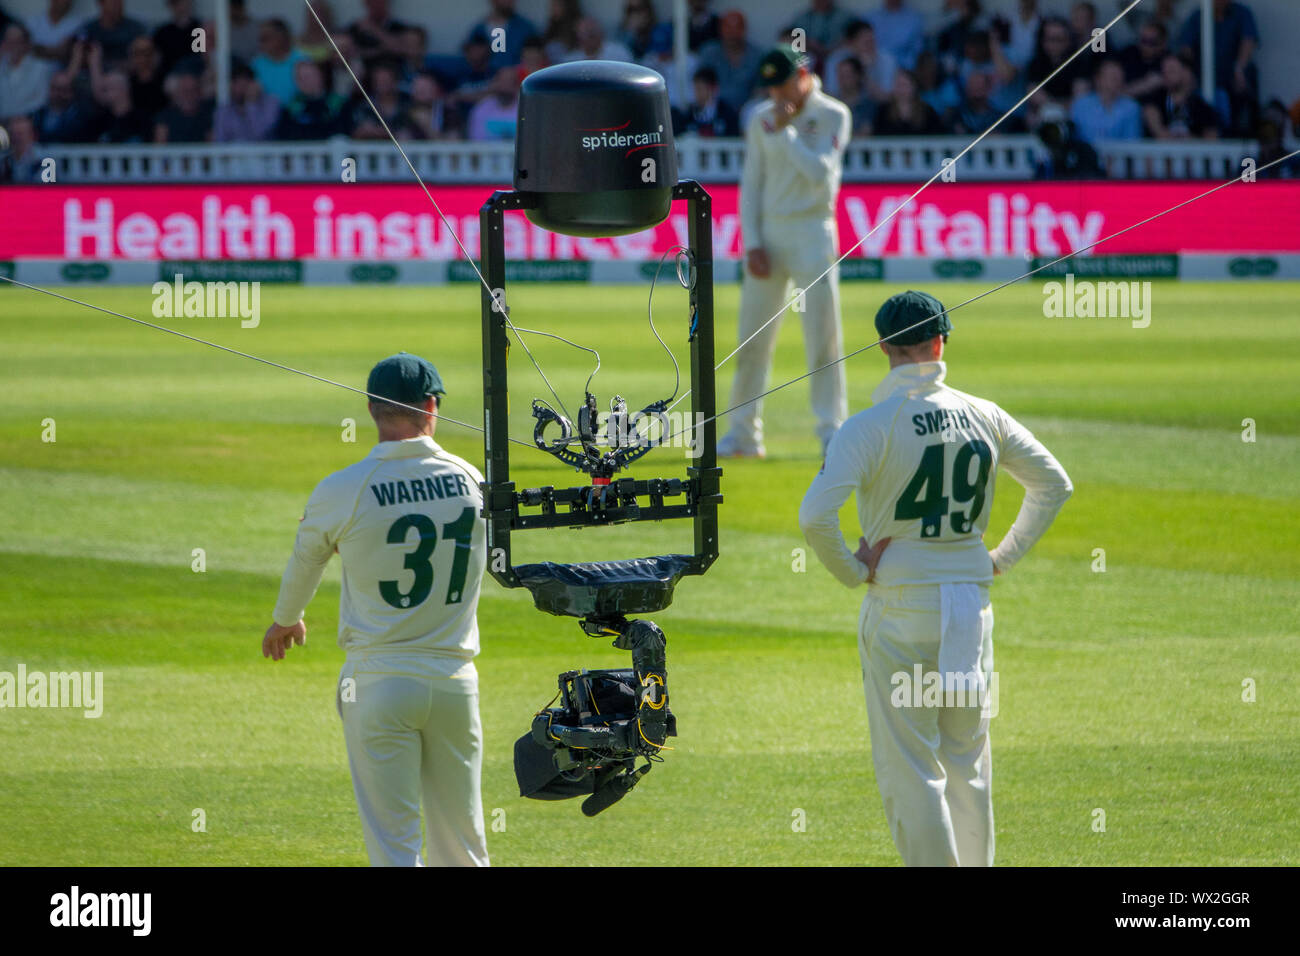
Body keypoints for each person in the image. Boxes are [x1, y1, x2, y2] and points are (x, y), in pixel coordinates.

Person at [798, 290, 1072, 867]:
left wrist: (852, 570)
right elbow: (1054, 484)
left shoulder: (867, 426)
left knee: (913, 770)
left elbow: (814, 515)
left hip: (900, 609)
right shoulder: (984, 413)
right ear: (941, 341)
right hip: (970, 609)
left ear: (883, 348)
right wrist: (1002, 555)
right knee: (967, 764)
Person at [264, 354, 490, 868]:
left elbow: (306, 560)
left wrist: (286, 619)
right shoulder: (471, 479)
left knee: (394, 847)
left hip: (377, 680)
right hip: (456, 681)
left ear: (371, 410)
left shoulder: (343, 488)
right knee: (465, 845)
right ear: (431, 407)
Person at [720, 46, 849, 460]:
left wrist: (788, 133)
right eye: (771, 87)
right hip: (770, 234)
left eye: (784, 84)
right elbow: (751, 183)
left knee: (823, 338)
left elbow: (821, 177)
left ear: (803, 74)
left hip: (813, 232)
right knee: (752, 339)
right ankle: (742, 434)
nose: (777, 94)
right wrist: (752, 242)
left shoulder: (833, 114)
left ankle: (832, 432)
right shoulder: (760, 118)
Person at [694, 9, 760, 114]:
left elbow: (760, 90)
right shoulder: (709, 53)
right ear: (720, 29)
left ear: (744, 29)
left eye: (736, 28)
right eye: (728, 28)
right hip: (714, 113)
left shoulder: (757, 55)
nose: (732, 34)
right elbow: (700, 85)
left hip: (745, 112)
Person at [1142, 52, 1220, 140]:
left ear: (1187, 73)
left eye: (1171, 70)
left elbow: (1212, 140)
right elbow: (1158, 131)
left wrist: (1189, 139)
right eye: (1163, 71)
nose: (1165, 74)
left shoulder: (1202, 108)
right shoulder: (1154, 103)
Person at [1070, 58, 1141, 146]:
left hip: (1118, 157)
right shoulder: (1080, 104)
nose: (1117, 80)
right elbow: (1073, 139)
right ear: (1098, 79)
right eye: (1112, 76)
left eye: (1119, 76)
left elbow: (1132, 143)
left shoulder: (1131, 107)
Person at [213, 61, 279, 143]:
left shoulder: (271, 103)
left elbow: (260, 134)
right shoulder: (224, 110)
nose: (240, 90)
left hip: (263, 154)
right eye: (237, 85)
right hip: (233, 154)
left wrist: (251, 103)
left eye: (244, 85)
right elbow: (220, 141)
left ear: (254, 84)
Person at [0, 22, 54, 119]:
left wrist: (15, 119)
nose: (12, 46)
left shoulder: (42, 68)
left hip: (27, 123)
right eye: (9, 41)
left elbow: (42, 101)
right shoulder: (1, 65)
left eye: (17, 42)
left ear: (27, 44)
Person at [672, 64, 739, 137]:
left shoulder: (728, 114)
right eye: (695, 89)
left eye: (699, 88)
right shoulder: (689, 114)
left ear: (713, 88)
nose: (696, 93)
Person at [870, 0, 924, 71]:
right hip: (875, 69)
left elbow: (917, 51)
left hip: (904, 70)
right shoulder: (870, 18)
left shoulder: (914, 19)